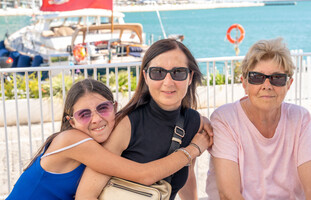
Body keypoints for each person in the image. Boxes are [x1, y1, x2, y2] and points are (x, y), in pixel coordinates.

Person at [6, 78, 210, 200]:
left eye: (103, 108)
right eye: (84, 114)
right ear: (72, 121)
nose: (96, 119)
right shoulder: (72, 140)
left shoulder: (101, 138)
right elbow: (144, 175)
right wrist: (193, 149)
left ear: (114, 107)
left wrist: (199, 120)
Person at [76, 39, 212, 200]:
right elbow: (85, 195)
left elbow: (187, 176)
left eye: (178, 73)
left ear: (190, 78)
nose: (168, 82)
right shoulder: (127, 125)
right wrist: (194, 148)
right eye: (158, 72)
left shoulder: (192, 121)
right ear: (146, 77)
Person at [206, 38, 311, 200]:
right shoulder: (225, 119)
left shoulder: (300, 118)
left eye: (277, 78)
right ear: (244, 83)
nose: (267, 85)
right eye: (257, 77)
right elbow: (228, 195)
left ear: (288, 84)